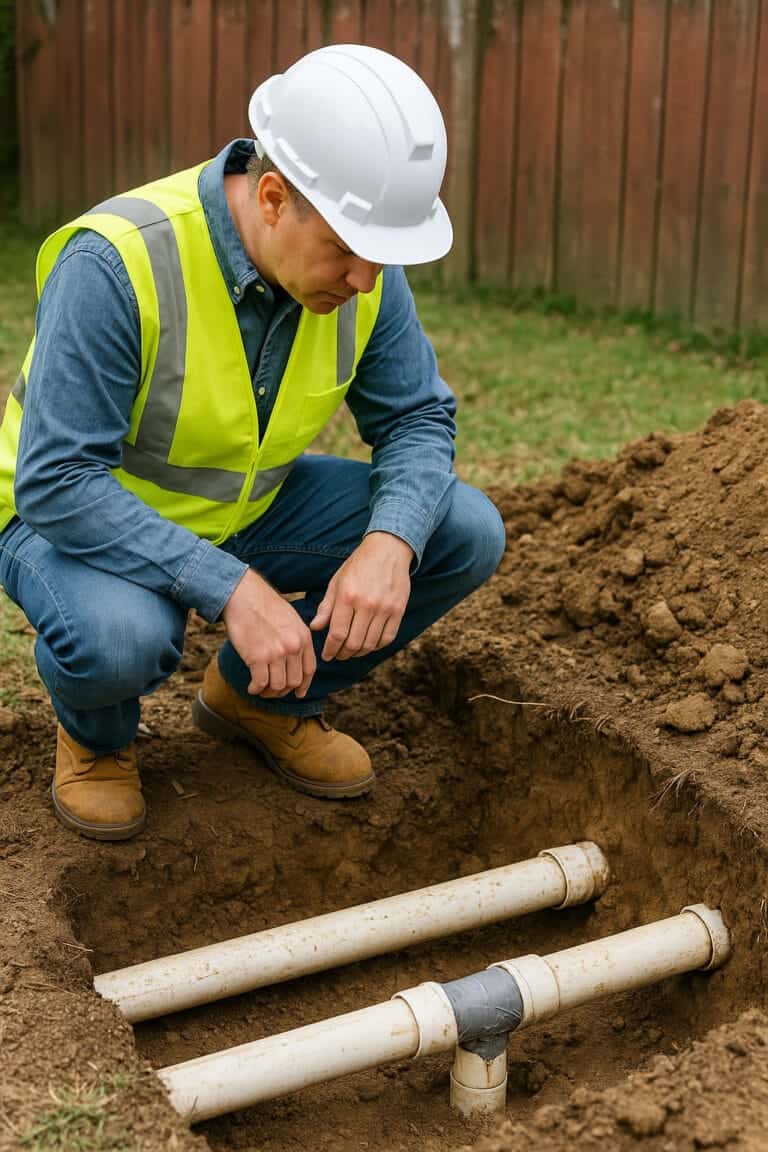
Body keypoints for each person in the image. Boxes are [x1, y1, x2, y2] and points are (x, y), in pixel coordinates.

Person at [0, 44, 505, 841]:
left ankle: (259, 697)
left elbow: (416, 418)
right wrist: (232, 588)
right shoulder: (118, 261)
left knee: (459, 530)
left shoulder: (364, 269)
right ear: (272, 196)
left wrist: (389, 542)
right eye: (345, 249)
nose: (366, 280)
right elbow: (59, 479)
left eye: (380, 254)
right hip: (67, 521)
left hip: (244, 506)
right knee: (122, 637)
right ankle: (96, 742)